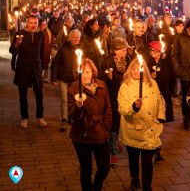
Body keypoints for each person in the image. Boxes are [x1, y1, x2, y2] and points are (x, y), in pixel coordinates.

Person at [118, 58, 165, 191]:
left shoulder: (153, 84)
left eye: (138, 69)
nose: (134, 72)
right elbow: (122, 108)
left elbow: (161, 101)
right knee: (133, 158)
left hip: (149, 130)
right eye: (132, 69)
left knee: (147, 162)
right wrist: (134, 107)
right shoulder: (125, 86)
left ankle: (147, 187)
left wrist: (161, 117)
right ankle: (134, 178)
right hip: (133, 130)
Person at [68, 58, 112, 191]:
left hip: (101, 133)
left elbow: (108, 107)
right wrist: (78, 106)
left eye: (88, 72)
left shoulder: (102, 85)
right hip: (82, 136)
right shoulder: (74, 88)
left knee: (104, 168)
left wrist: (107, 125)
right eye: (83, 72)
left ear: (92, 72)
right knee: (86, 169)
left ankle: (97, 186)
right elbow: (72, 115)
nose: (85, 76)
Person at [9, 15, 47, 129]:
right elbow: (12, 50)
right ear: (27, 23)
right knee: (23, 95)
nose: (33, 25)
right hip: (23, 68)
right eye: (31, 23)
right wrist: (17, 44)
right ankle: (24, 118)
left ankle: (40, 116)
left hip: (36, 69)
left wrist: (42, 65)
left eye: (35, 23)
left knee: (39, 94)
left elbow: (41, 52)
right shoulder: (19, 34)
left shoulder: (40, 34)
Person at [103, 37, 131, 165]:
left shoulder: (129, 59)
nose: (124, 52)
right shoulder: (107, 60)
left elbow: (129, 74)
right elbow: (101, 77)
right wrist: (108, 77)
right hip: (112, 94)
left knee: (121, 119)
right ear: (114, 50)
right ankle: (113, 150)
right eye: (121, 50)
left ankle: (115, 142)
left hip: (125, 94)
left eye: (125, 49)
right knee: (114, 119)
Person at [171, 19, 190, 130]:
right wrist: (177, 69)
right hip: (185, 73)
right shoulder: (179, 38)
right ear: (186, 29)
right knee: (186, 96)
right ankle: (186, 117)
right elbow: (173, 55)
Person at [51, 29, 82, 131]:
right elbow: (55, 63)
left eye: (78, 38)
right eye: (75, 37)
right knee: (64, 99)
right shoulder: (63, 48)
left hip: (74, 78)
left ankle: (70, 116)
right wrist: (53, 78)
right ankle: (64, 119)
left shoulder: (80, 50)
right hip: (63, 77)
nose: (77, 39)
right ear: (70, 38)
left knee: (72, 99)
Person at [38, 18, 54, 83]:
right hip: (38, 52)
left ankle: (45, 78)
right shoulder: (36, 31)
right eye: (42, 24)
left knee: (46, 65)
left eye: (44, 24)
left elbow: (52, 40)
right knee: (39, 65)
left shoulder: (48, 31)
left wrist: (50, 48)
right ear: (39, 25)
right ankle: (39, 77)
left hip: (46, 52)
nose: (43, 26)